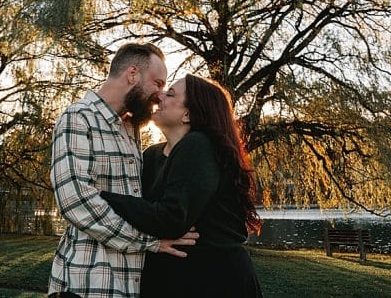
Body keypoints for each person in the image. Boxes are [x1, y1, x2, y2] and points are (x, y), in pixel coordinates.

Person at [49, 43, 198, 298]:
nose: (160, 94)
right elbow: (75, 202)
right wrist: (149, 242)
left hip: (126, 286)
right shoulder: (78, 118)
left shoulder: (129, 128)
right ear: (132, 74)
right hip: (85, 284)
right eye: (158, 83)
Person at [99, 74, 264, 297]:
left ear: (187, 114)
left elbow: (171, 219)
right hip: (171, 276)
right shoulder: (152, 154)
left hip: (213, 279)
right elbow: (142, 210)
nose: (159, 96)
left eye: (171, 94)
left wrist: (98, 196)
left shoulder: (199, 145)